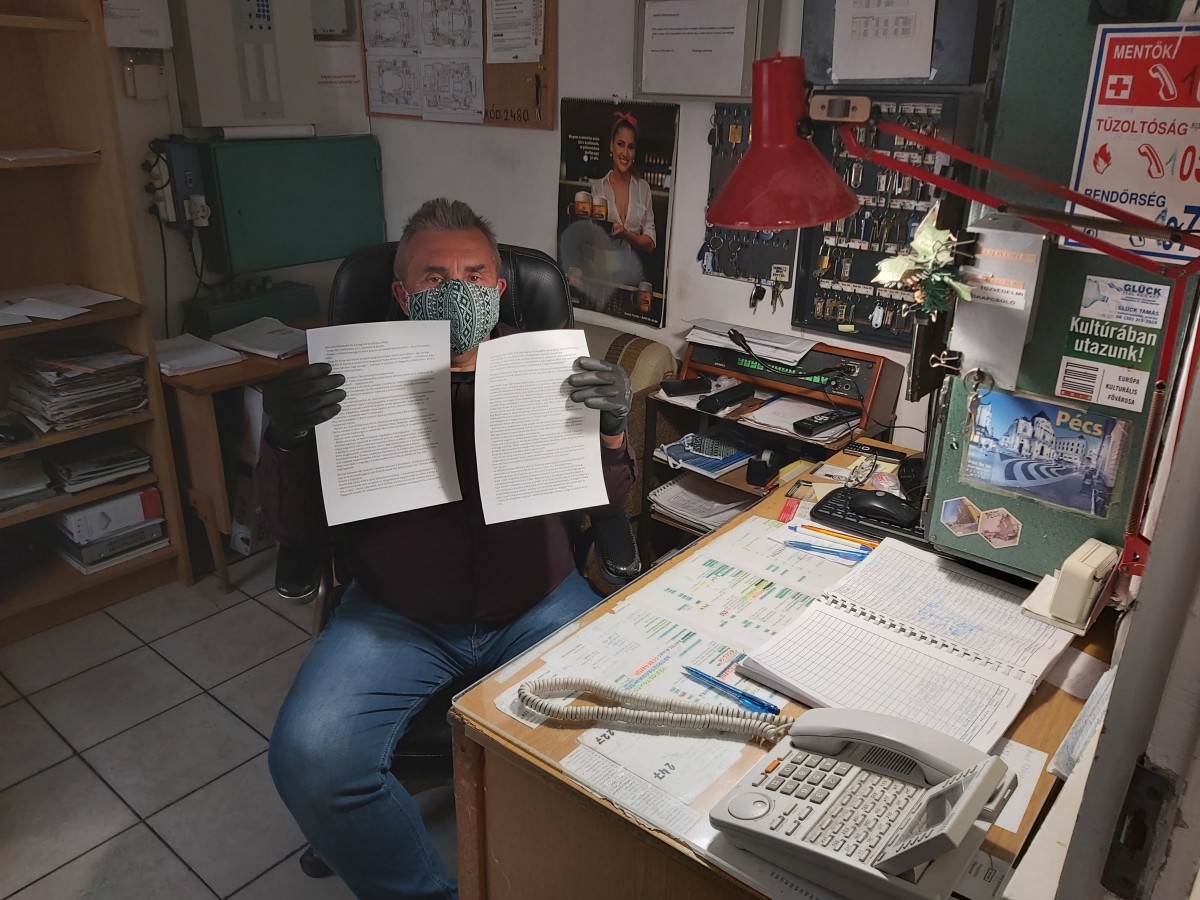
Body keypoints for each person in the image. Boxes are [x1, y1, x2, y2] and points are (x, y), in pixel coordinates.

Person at [258, 198, 636, 900]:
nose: (456, 290)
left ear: (500, 288)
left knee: (633, 735)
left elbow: (605, 500)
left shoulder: (547, 368)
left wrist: (613, 428)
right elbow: (297, 527)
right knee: (312, 758)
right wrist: (285, 437)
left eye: (474, 274)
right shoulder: (350, 380)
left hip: (538, 599)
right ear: (403, 296)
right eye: (434, 277)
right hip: (398, 612)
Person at [591, 111, 657, 261]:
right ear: (611, 146)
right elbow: (593, 236)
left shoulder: (643, 189)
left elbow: (650, 243)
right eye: (620, 144)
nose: (625, 153)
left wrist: (627, 235)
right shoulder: (598, 188)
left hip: (633, 270)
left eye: (630, 147)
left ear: (635, 152)